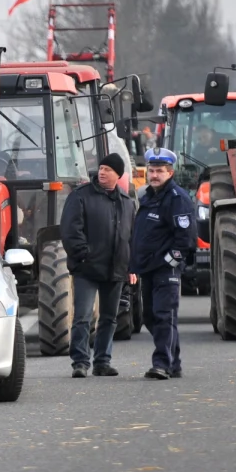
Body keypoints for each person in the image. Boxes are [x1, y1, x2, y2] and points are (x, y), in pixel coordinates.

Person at [60, 152, 136, 378]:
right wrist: (84, 255)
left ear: (118, 176)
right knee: (83, 317)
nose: (102, 172)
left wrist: (131, 266)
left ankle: (102, 361)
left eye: (108, 170)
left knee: (109, 318)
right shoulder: (81, 196)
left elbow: (132, 237)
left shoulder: (127, 203)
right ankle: (80, 362)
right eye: (101, 168)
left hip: (115, 270)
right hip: (87, 269)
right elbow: (70, 230)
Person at [129, 147, 197, 380]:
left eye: (160, 171)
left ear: (170, 173)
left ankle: (161, 363)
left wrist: (170, 262)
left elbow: (185, 238)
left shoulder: (177, 199)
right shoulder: (148, 197)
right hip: (148, 269)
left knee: (163, 315)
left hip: (165, 269)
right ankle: (174, 363)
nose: (154, 175)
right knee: (150, 316)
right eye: (151, 170)